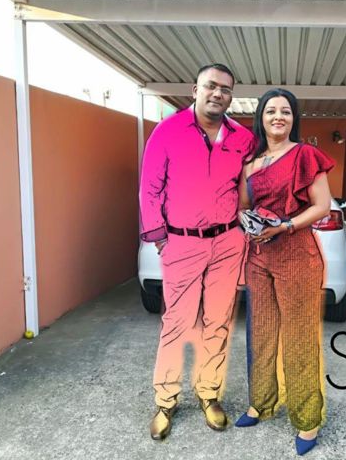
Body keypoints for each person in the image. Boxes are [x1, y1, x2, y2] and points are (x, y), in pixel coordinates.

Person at [139, 63, 255, 440]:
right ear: (195, 89)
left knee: (218, 321)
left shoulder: (242, 138)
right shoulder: (167, 131)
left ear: (231, 96)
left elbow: (249, 188)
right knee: (177, 322)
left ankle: (209, 395)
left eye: (226, 89)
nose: (218, 93)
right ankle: (166, 401)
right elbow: (150, 188)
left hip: (227, 243)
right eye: (211, 86)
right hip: (182, 242)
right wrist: (161, 239)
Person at [235, 89, 334, 456]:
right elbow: (243, 205)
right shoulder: (251, 162)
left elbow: (322, 206)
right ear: (260, 117)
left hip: (296, 255)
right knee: (260, 334)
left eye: (286, 111)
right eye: (271, 111)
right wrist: (249, 221)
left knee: (299, 338)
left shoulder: (305, 155)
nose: (279, 117)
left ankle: (307, 420)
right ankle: (260, 404)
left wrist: (285, 225)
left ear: (294, 119)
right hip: (258, 255)